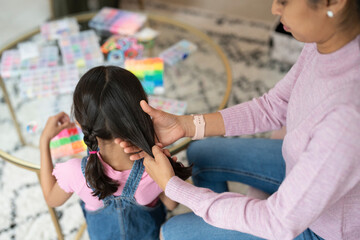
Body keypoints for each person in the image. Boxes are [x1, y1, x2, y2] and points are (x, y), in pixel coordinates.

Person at [119, 0, 360, 239]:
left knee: (171, 233)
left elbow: (278, 222)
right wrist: (184, 125)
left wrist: (174, 188)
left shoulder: (348, 115)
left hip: (321, 227)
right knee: (202, 152)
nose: (274, 9)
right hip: (300, 167)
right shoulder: (328, 40)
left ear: (335, 3)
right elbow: (274, 105)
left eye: (284, 1)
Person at [39, 66, 192, 240]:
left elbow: (51, 199)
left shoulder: (74, 171)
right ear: (142, 113)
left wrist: (44, 141)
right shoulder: (156, 165)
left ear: (81, 124)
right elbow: (172, 204)